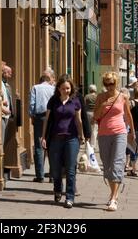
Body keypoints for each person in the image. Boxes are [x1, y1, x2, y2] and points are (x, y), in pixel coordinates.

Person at [94, 72, 135, 211]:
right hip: (104, 134)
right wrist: (103, 104)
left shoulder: (123, 97)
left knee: (117, 163)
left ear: (116, 83)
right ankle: (113, 194)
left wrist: (132, 133)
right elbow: (95, 116)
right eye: (106, 84)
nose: (109, 87)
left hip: (120, 133)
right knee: (107, 166)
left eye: (111, 83)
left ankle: (113, 198)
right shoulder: (100, 97)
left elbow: (128, 116)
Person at [41, 74, 84, 209]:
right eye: (64, 88)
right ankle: (58, 189)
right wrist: (43, 137)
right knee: (56, 168)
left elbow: (78, 120)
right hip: (55, 139)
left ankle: (69, 197)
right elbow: (47, 120)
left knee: (71, 169)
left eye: (68, 88)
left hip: (71, 139)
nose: (66, 91)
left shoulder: (75, 101)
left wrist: (81, 135)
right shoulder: (53, 101)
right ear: (58, 88)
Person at [29, 75, 55, 182]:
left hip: (39, 117)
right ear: (49, 81)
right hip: (52, 117)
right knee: (52, 146)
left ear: (40, 81)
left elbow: (32, 104)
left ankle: (40, 176)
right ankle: (53, 175)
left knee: (39, 146)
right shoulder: (53, 89)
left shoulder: (35, 88)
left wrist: (32, 117)